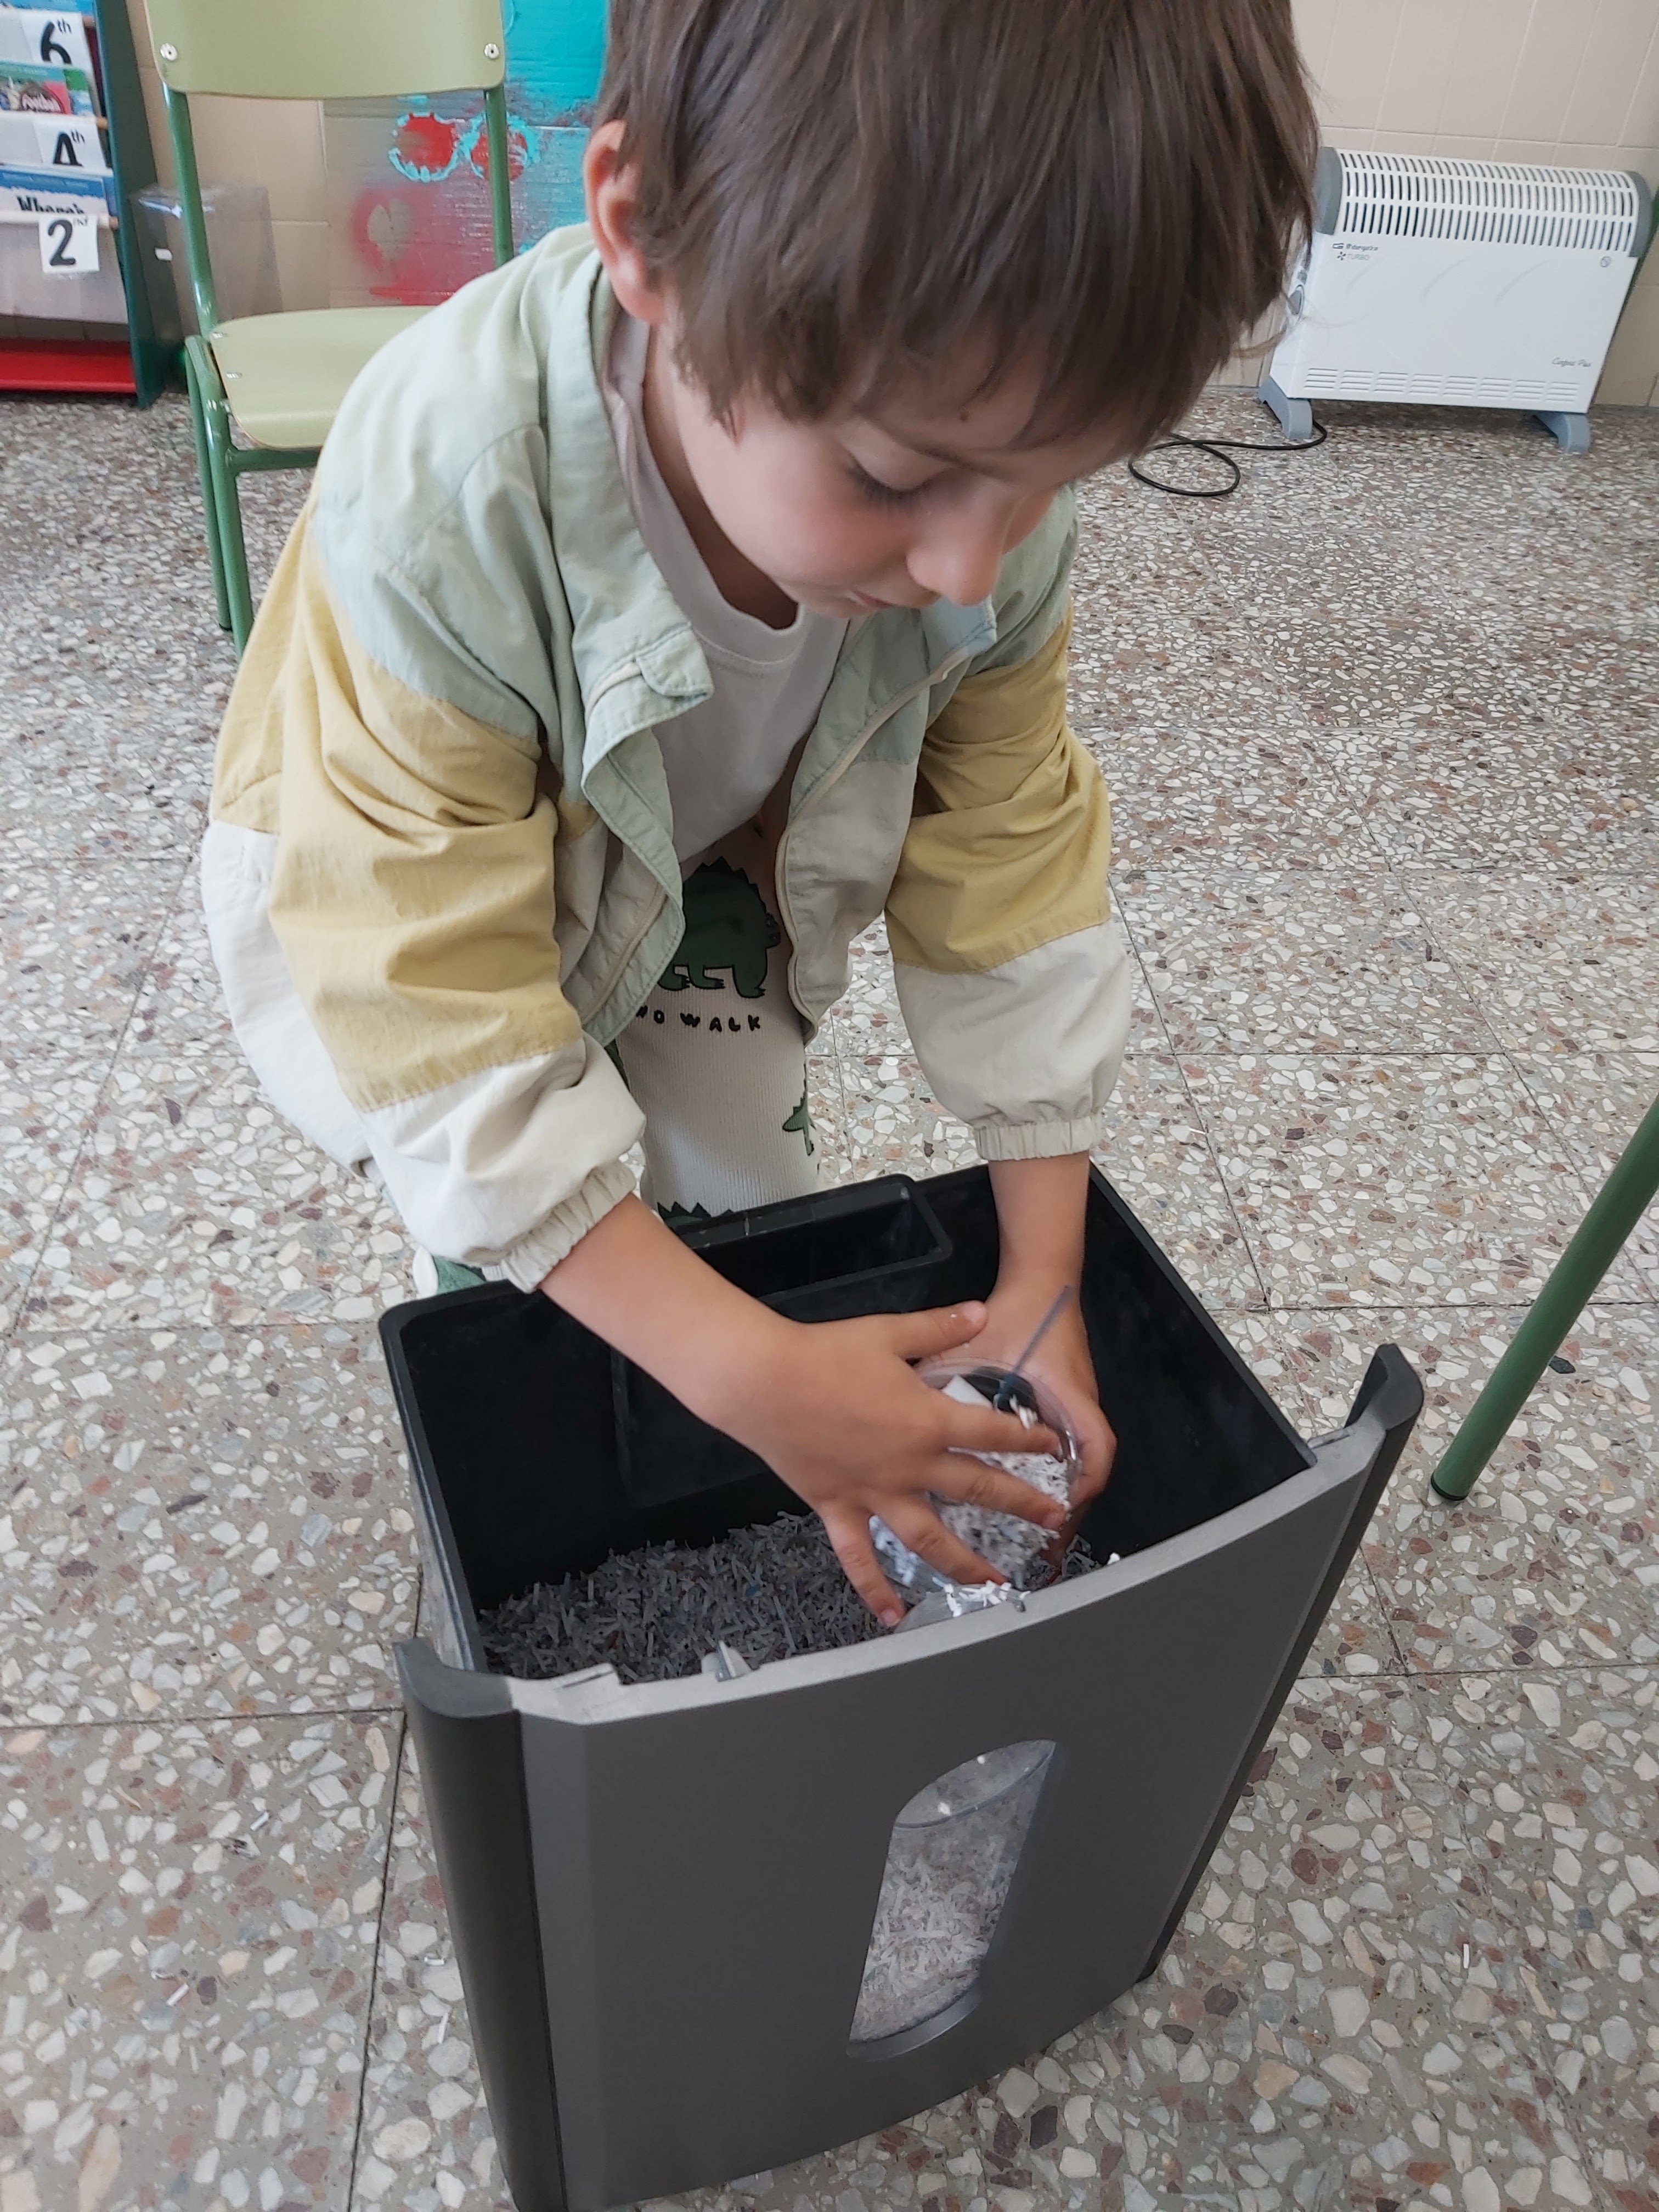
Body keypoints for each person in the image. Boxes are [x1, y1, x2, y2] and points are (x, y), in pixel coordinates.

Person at [201, 0, 1316, 1622]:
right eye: (895, 478)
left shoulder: (975, 506)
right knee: (528, 1230)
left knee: (727, 1211)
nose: (970, 564)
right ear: (644, 233)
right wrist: (751, 1379)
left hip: (695, 852)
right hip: (395, 895)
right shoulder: (446, 484)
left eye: (1046, 482)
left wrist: (1041, 1276)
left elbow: (1008, 853)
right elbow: (430, 998)